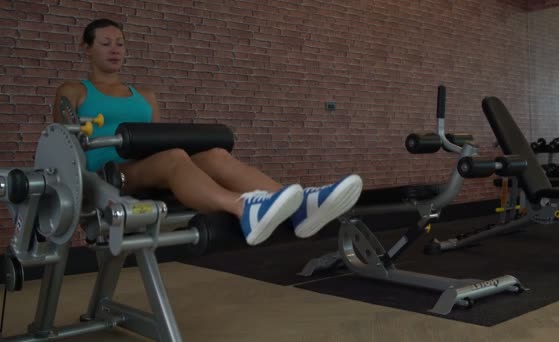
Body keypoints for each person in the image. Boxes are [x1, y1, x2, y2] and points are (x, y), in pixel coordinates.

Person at [52, 18, 363, 246]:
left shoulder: (145, 96)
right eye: (105, 43)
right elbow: (63, 147)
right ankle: (243, 208)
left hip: (149, 166)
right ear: (87, 48)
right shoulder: (74, 90)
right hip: (106, 176)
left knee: (215, 155)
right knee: (174, 157)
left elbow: (156, 140)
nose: (115, 49)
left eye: (120, 43)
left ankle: (299, 206)